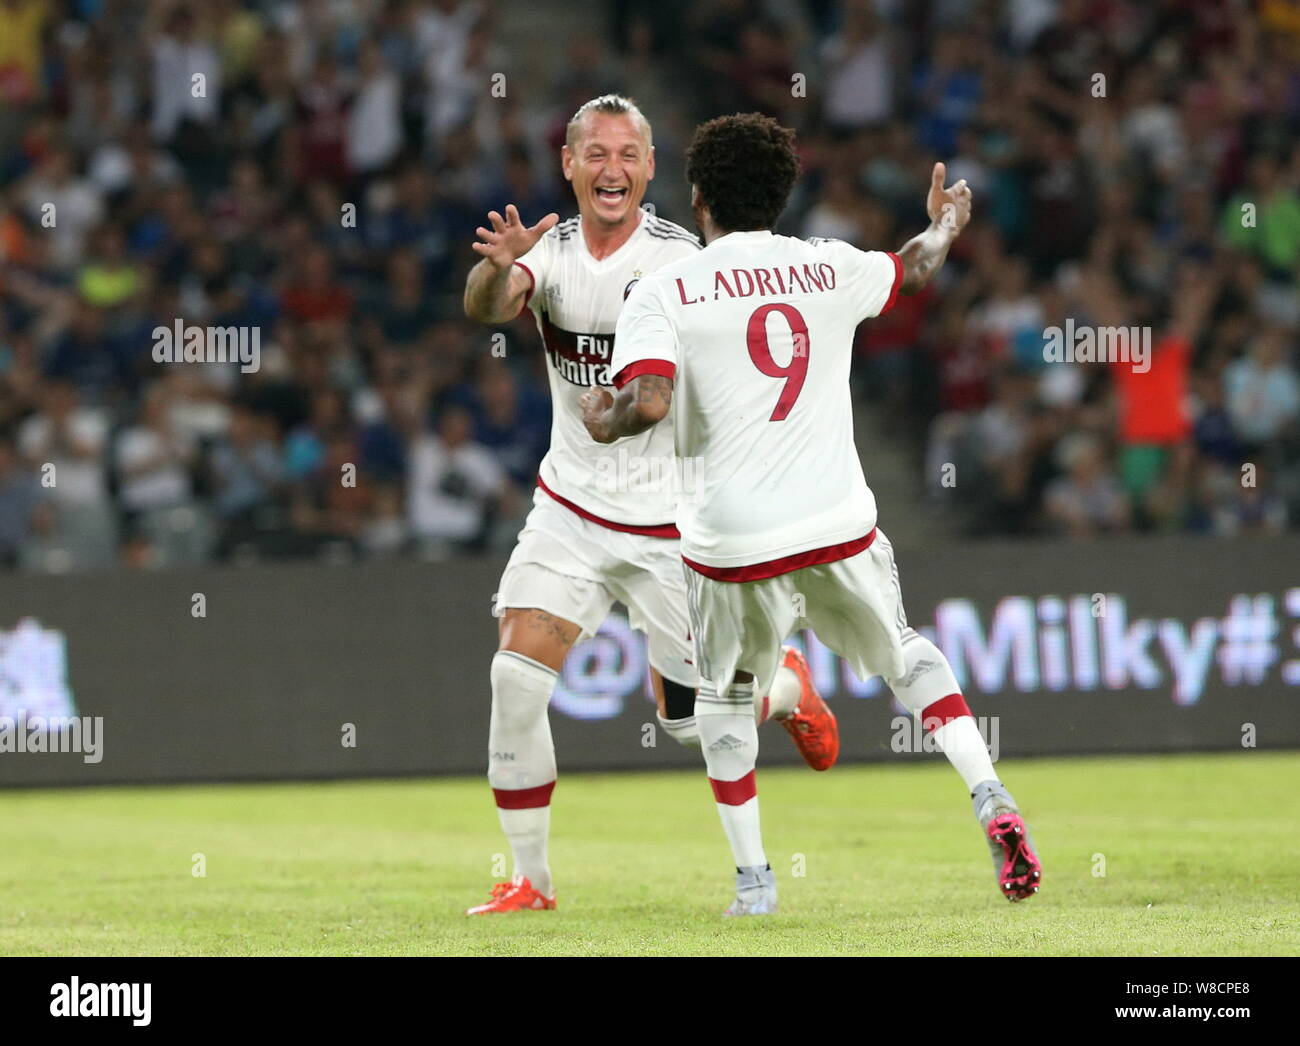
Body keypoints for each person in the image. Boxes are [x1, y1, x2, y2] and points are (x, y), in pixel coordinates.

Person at [584, 113, 1042, 915]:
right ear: (784, 195)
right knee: (906, 656)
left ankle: (756, 887)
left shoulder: (665, 289)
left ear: (697, 199)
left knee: (723, 701)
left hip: (730, 540)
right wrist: (944, 223)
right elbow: (914, 268)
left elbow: (648, 402)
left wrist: (603, 417)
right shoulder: (828, 267)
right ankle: (989, 795)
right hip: (836, 521)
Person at [461, 96, 837, 915]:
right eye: (595, 154)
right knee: (514, 679)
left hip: (672, 525)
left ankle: (786, 691)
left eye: (628, 154)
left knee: (687, 725)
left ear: (652, 168)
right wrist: (497, 267)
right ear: (568, 164)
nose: (612, 170)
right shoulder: (549, 254)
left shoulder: (680, 261)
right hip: (570, 508)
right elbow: (488, 306)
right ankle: (532, 879)